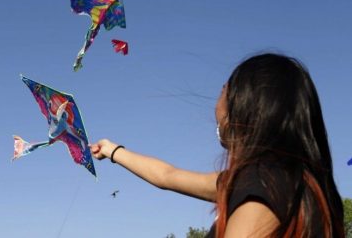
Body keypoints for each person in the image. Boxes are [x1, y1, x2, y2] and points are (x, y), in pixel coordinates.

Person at [90, 53, 345, 237]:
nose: (217, 103)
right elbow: (167, 176)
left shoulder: (262, 183)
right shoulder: (294, 185)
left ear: (244, 104)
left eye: (224, 89)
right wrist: (112, 151)